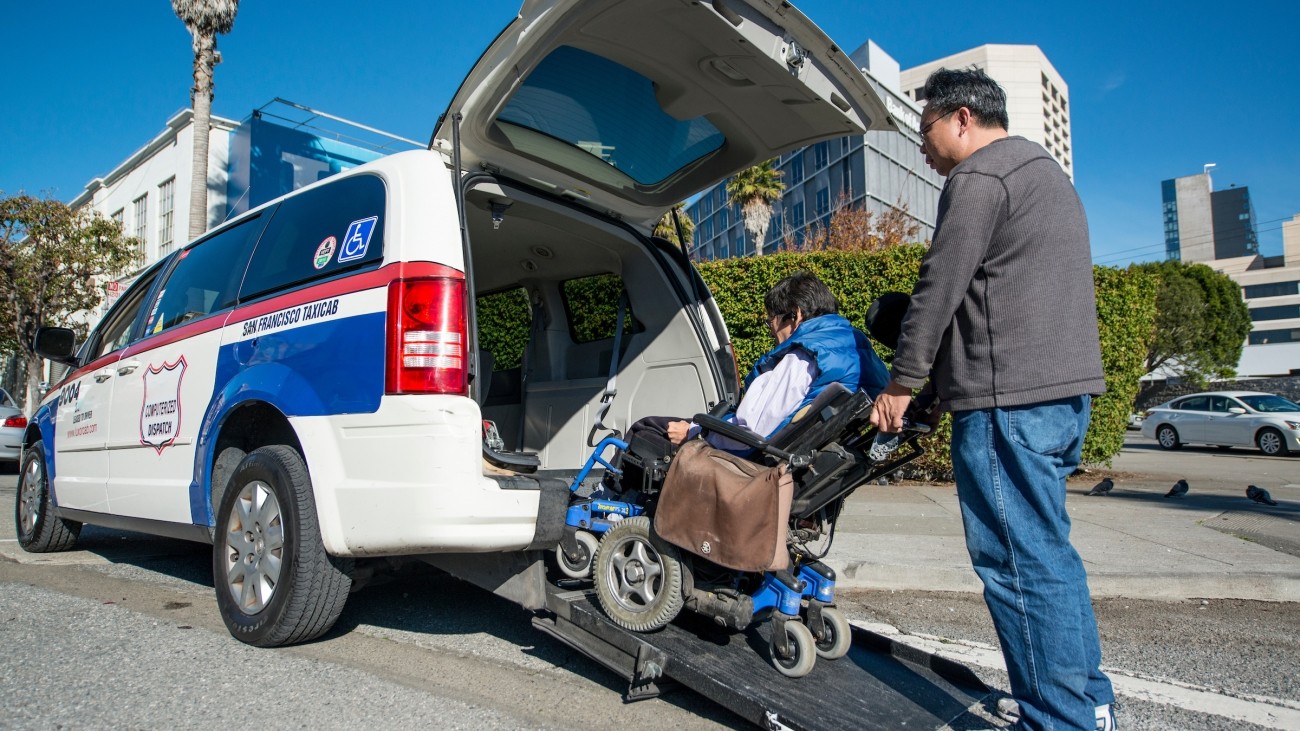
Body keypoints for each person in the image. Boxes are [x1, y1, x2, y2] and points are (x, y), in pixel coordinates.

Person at [868, 68, 1116, 731]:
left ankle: (1058, 718)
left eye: (924, 130)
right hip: (1060, 397)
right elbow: (998, 302)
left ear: (961, 119)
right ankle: (1086, 701)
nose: (922, 146)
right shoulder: (1045, 176)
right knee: (1048, 555)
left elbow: (940, 286)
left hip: (1011, 406)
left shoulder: (977, 179)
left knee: (1016, 563)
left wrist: (901, 384)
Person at [663, 270, 889, 450]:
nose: (771, 330)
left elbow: (751, 432)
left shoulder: (803, 357)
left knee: (650, 428)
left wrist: (695, 433)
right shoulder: (860, 350)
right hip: (807, 454)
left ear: (795, 314)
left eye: (772, 320)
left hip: (756, 463)